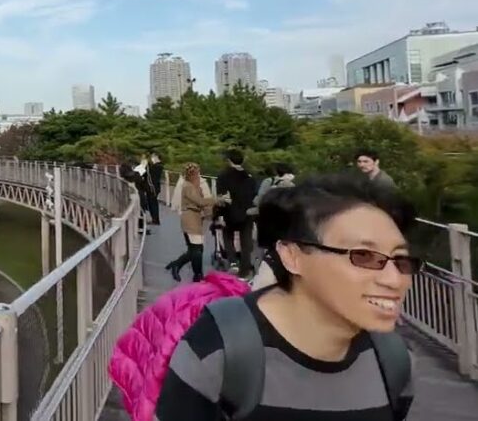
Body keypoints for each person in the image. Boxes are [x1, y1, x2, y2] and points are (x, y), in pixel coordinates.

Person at [154, 173, 419, 420]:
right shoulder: (220, 349)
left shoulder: (393, 360)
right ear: (292, 256)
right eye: (363, 255)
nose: (393, 279)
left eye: (401, 260)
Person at [165, 163, 216, 283]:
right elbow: (199, 201)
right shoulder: (188, 187)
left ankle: (179, 266)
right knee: (196, 249)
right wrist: (215, 200)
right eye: (197, 173)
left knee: (195, 249)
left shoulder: (193, 186)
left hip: (195, 218)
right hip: (190, 218)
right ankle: (197, 274)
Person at [216, 149, 258, 278]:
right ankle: (245, 268)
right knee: (246, 241)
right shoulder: (250, 176)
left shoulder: (223, 176)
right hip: (247, 213)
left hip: (230, 212)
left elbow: (222, 198)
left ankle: (233, 262)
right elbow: (254, 196)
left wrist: (219, 214)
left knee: (227, 236)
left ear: (229, 161)